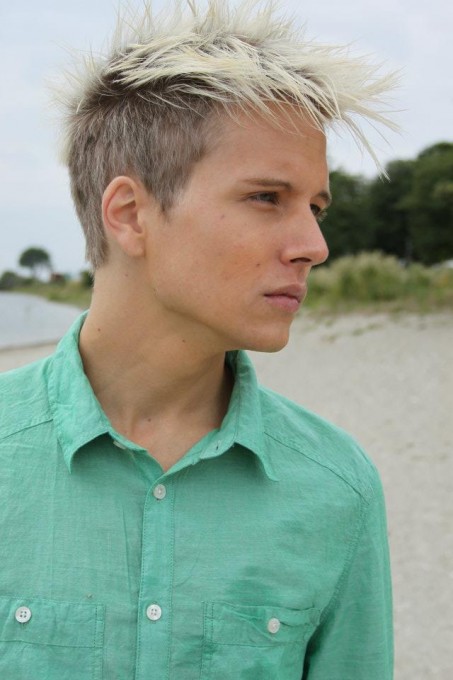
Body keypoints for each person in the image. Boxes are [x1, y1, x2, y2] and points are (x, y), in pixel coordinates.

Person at [0, 1, 397, 678]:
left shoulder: (337, 488)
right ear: (130, 214)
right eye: (267, 198)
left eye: (315, 207)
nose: (314, 245)